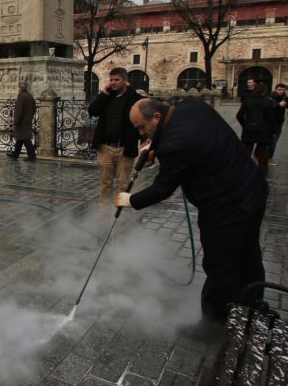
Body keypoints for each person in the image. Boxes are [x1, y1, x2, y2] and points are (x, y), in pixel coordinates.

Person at [118, 98, 268, 329]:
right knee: (248, 252)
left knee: (221, 266)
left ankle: (214, 324)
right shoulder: (192, 106)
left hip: (226, 205)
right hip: (252, 188)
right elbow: (193, 141)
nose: (141, 133)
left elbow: (162, 188)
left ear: (156, 117)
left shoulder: (175, 145)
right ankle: (252, 304)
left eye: (142, 127)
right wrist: (156, 144)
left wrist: (131, 200)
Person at [88, 67, 143, 203]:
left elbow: (144, 121)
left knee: (123, 184)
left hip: (125, 149)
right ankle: (103, 213)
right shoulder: (106, 97)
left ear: (125, 81)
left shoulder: (136, 99)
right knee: (105, 183)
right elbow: (93, 111)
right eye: (111, 79)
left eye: (116, 80)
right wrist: (104, 93)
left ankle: (120, 215)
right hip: (105, 147)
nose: (113, 82)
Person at [236, 81, 276, 176]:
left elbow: (239, 115)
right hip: (263, 130)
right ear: (264, 91)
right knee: (262, 152)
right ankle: (263, 171)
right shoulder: (267, 102)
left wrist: (245, 125)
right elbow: (271, 119)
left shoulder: (247, 101)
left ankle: (243, 170)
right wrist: (272, 131)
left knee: (246, 151)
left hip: (249, 129)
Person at [8, 82, 36, 162]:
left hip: (21, 122)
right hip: (27, 120)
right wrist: (29, 116)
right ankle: (15, 154)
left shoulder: (21, 97)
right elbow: (34, 108)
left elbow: (18, 111)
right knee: (20, 138)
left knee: (26, 139)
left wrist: (15, 122)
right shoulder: (30, 96)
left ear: (20, 89)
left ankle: (32, 156)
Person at [267, 84, 288, 166]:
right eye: (279, 89)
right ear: (275, 89)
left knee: (271, 141)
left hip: (279, 121)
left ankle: (260, 155)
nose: (281, 91)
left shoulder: (283, 97)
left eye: (283, 90)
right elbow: (276, 105)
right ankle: (268, 158)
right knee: (272, 141)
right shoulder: (271, 97)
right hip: (272, 123)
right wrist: (281, 102)